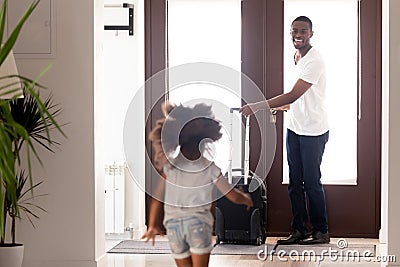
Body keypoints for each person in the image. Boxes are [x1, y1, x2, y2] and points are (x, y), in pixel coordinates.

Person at [240, 16, 330, 245]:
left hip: (313, 131)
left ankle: (321, 231)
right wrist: (281, 107)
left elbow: (294, 94)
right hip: (295, 129)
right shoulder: (297, 57)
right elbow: (296, 99)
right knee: (294, 183)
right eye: (294, 31)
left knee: (311, 182)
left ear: (311, 33)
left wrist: (258, 106)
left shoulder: (314, 61)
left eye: (302, 31)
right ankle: (299, 229)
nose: (297, 35)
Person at [142, 101, 253, 267]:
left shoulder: (170, 166)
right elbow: (232, 196)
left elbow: (157, 198)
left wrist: (151, 225)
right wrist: (246, 199)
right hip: (198, 225)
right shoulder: (210, 168)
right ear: (205, 142)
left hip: (173, 226)